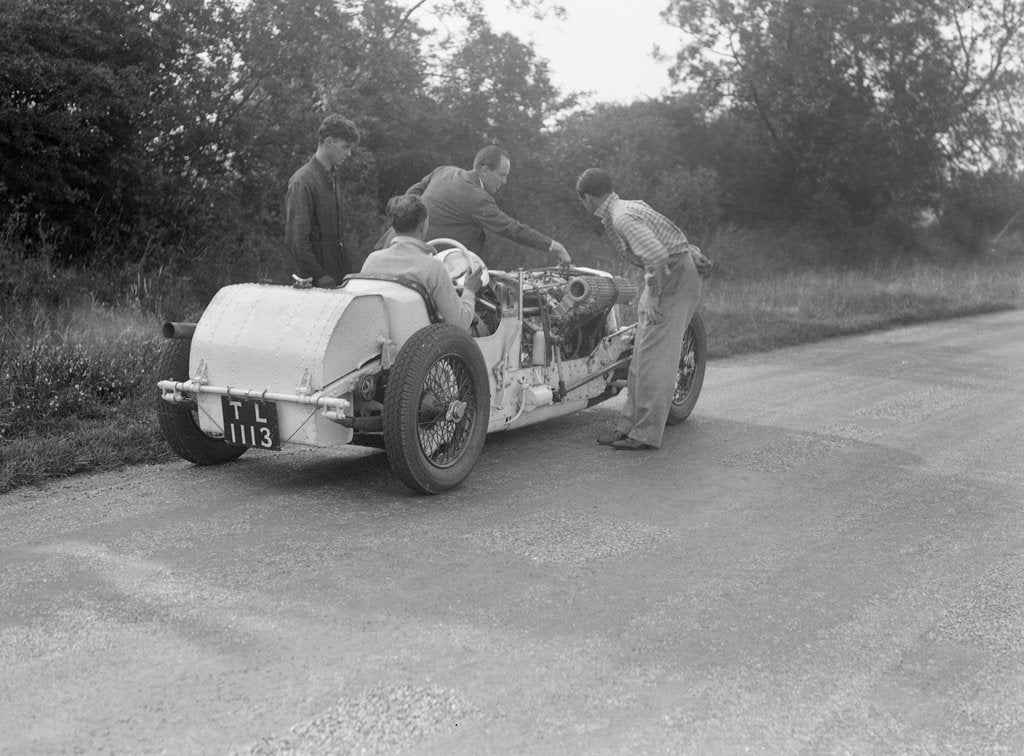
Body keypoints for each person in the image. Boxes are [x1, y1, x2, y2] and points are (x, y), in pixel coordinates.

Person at [575, 167, 712, 451]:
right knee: (640, 355)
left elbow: (657, 255)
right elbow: (668, 235)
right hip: (671, 272)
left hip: (670, 278)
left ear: (586, 197)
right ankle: (628, 427)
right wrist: (690, 252)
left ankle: (645, 434)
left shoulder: (621, 216)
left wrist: (653, 295)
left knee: (654, 359)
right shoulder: (628, 205)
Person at [379, 145, 571, 267]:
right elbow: (512, 229)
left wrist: (408, 222)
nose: (504, 182)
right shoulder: (478, 198)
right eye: (502, 175)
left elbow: (411, 193)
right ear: (485, 171)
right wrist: (555, 247)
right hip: (419, 264)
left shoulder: (444, 171)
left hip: (386, 249)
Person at [360, 195, 484, 334]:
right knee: (478, 326)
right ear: (423, 225)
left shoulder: (372, 260)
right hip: (425, 346)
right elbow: (460, 323)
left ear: (394, 226)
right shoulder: (433, 267)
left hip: (382, 342)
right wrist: (469, 290)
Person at [284, 114, 361, 288]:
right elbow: (296, 240)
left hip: (338, 279)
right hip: (315, 286)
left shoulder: (332, 176)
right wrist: (320, 276)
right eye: (345, 147)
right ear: (328, 142)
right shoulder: (302, 182)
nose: (349, 153)